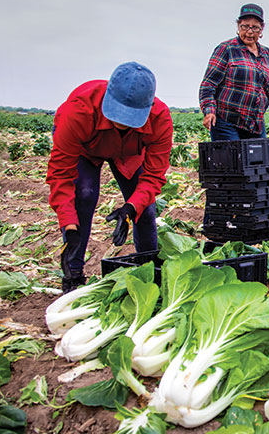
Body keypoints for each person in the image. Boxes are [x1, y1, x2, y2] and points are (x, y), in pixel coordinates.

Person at [46, 61, 173, 292]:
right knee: (83, 196)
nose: (122, 122)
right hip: (87, 149)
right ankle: (73, 274)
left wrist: (131, 208)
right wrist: (68, 225)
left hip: (128, 152)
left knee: (146, 210)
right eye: (118, 114)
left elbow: (154, 176)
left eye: (130, 118)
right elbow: (60, 175)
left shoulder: (160, 118)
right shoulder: (78, 110)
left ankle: (150, 272)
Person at [199, 3, 269, 140]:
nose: (250, 32)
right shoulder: (227, 49)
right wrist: (209, 111)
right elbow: (208, 84)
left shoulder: (268, 55)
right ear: (238, 26)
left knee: (257, 160)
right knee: (232, 160)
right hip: (226, 121)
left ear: (261, 29)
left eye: (255, 27)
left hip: (255, 124)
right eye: (245, 26)